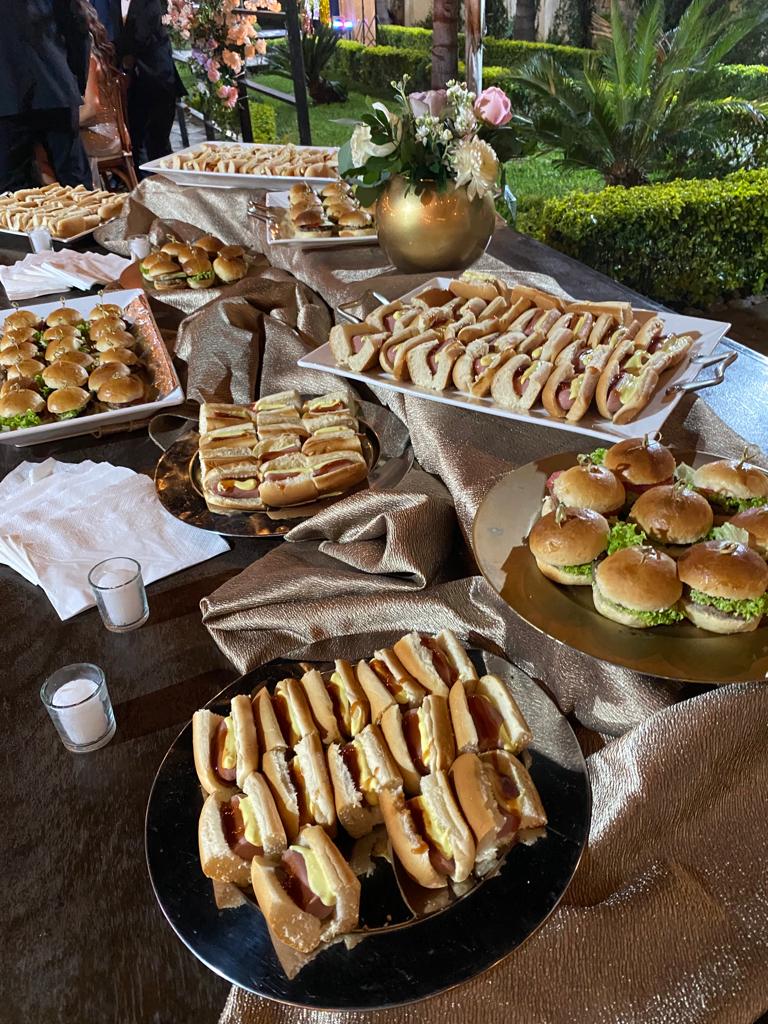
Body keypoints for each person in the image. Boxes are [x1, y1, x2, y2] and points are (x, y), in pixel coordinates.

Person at [0, 0, 92, 191]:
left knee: (13, 192)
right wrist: (76, 81)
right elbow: (77, 25)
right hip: (55, 84)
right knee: (76, 184)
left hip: (7, 95)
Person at [93, 0, 181, 171]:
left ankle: (164, 180)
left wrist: (107, 50)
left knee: (158, 142)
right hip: (129, 81)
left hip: (157, 78)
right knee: (135, 140)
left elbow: (140, 35)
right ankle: (139, 180)